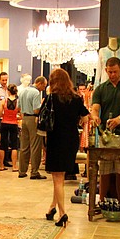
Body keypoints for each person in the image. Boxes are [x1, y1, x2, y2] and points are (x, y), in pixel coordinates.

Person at [90, 56, 120, 211]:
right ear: (105, 71)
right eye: (110, 72)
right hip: (106, 135)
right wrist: (95, 116)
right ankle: (102, 202)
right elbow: (95, 108)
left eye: (115, 72)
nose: (112, 75)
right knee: (104, 169)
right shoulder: (101, 89)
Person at [43, 68, 89, 227]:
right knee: (60, 176)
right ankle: (52, 208)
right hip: (71, 139)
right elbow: (86, 118)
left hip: (56, 138)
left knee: (57, 179)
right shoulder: (76, 99)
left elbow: (42, 119)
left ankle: (62, 213)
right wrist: (75, 122)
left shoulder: (51, 98)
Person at [17, 75, 46, 179]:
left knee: (24, 146)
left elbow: (18, 107)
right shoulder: (36, 93)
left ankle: (22, 171)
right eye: (44, 86)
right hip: (33, 119)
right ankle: (34, 172)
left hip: (24, 119)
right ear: (40, 83)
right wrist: (42, 104)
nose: (44, 89)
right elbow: (36, 110)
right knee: (35, 146)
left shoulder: (23, 91)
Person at [0, 84, 20, 170]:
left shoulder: (4, 101)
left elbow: (0, 113)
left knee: (3, 144)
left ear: (8, 91)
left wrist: (5, 115)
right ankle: (14, 166)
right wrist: (15, 116)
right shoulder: (18, 102)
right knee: (14, 145)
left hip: (4, 123)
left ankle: (2, 166)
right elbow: (21, 115)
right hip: (14, 124)